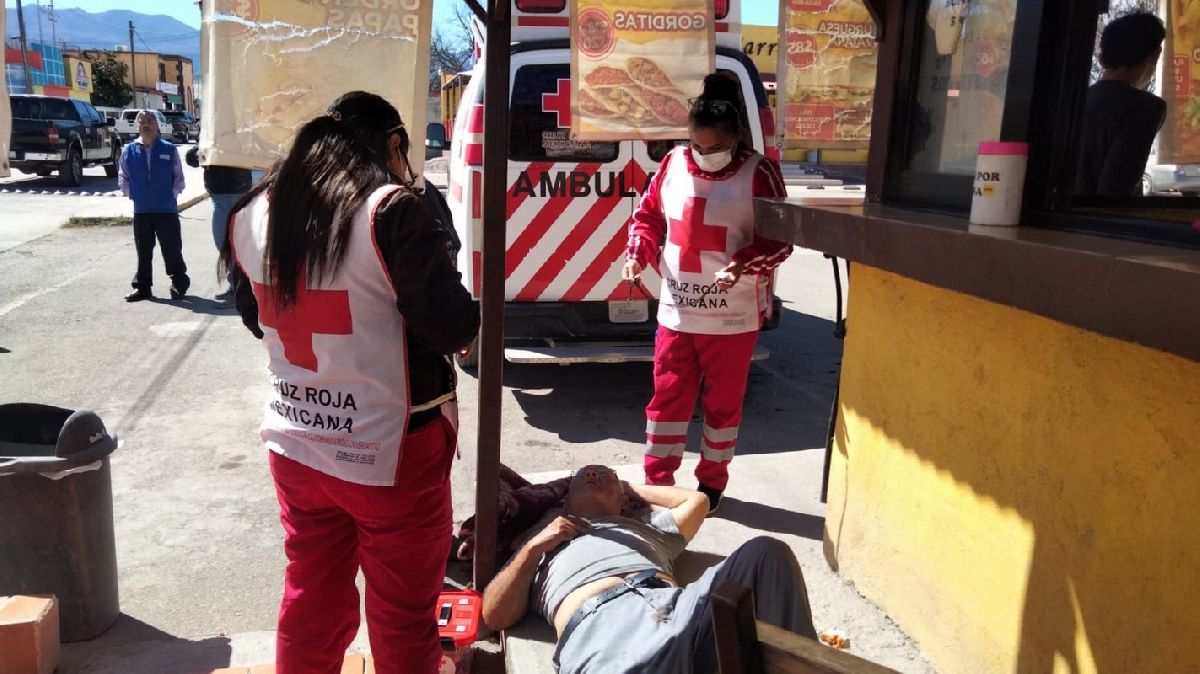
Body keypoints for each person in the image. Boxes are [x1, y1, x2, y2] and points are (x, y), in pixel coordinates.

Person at [221, 91, 479, 674]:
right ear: (393, 144)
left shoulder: (252, 211)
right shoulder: (391, 210)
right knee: (404, 613)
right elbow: (452, 326)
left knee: (311, 594)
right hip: (390, 452)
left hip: (297, 444)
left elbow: (253, 317)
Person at [622, 73, 792, 511]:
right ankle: (657, 483)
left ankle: (711, 485)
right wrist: (638, 254)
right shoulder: (673, 163)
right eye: (696, 145)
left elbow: (781, 240)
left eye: (714, 147)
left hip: (732, 319)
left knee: (722, 408)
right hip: (678, 313)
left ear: (735, 135)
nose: (703, 154)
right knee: (666, 402)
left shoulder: (760, 172)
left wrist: (743, 264)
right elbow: (648, 217)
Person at [481, 464, 818, 674]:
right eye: (584, 475)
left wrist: (628, 488)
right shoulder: (540, 540)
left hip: (679, 609)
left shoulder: (646, 528)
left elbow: (698, 501)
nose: (593, 475)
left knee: (766, 553)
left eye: (605, 474)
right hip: (603, 634)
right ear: (565, 499)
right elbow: (494, 614)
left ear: (624, 501)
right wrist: (535, 547)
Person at [1075, 12, 1167, 197]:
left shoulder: (1075, 101)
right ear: (1155, 55)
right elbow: (1116, 192)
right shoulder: (1145, 108)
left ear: (1102, 59)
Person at [119, 110, 188, 302]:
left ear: (157, 126)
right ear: (137, 127)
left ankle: (179, 283)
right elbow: (123, 176)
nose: (146, 124)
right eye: (142, 121)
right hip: (142, 210)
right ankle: (143, 288)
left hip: (166, 210)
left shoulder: (169, 149)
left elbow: (179, 179)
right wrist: (133, 194)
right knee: (143, 251)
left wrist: (171, 196)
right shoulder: (129, 150)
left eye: (150, 121)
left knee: (172, 249)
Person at [185, 145, 253, 302]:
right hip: (224, 194)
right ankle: (239, 287)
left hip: (235, 193)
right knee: (227, 245)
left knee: (230, 245)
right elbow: (192, 159)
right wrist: (201, 152)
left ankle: (240, 289)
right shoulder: (212, 138)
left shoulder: (237, 137)